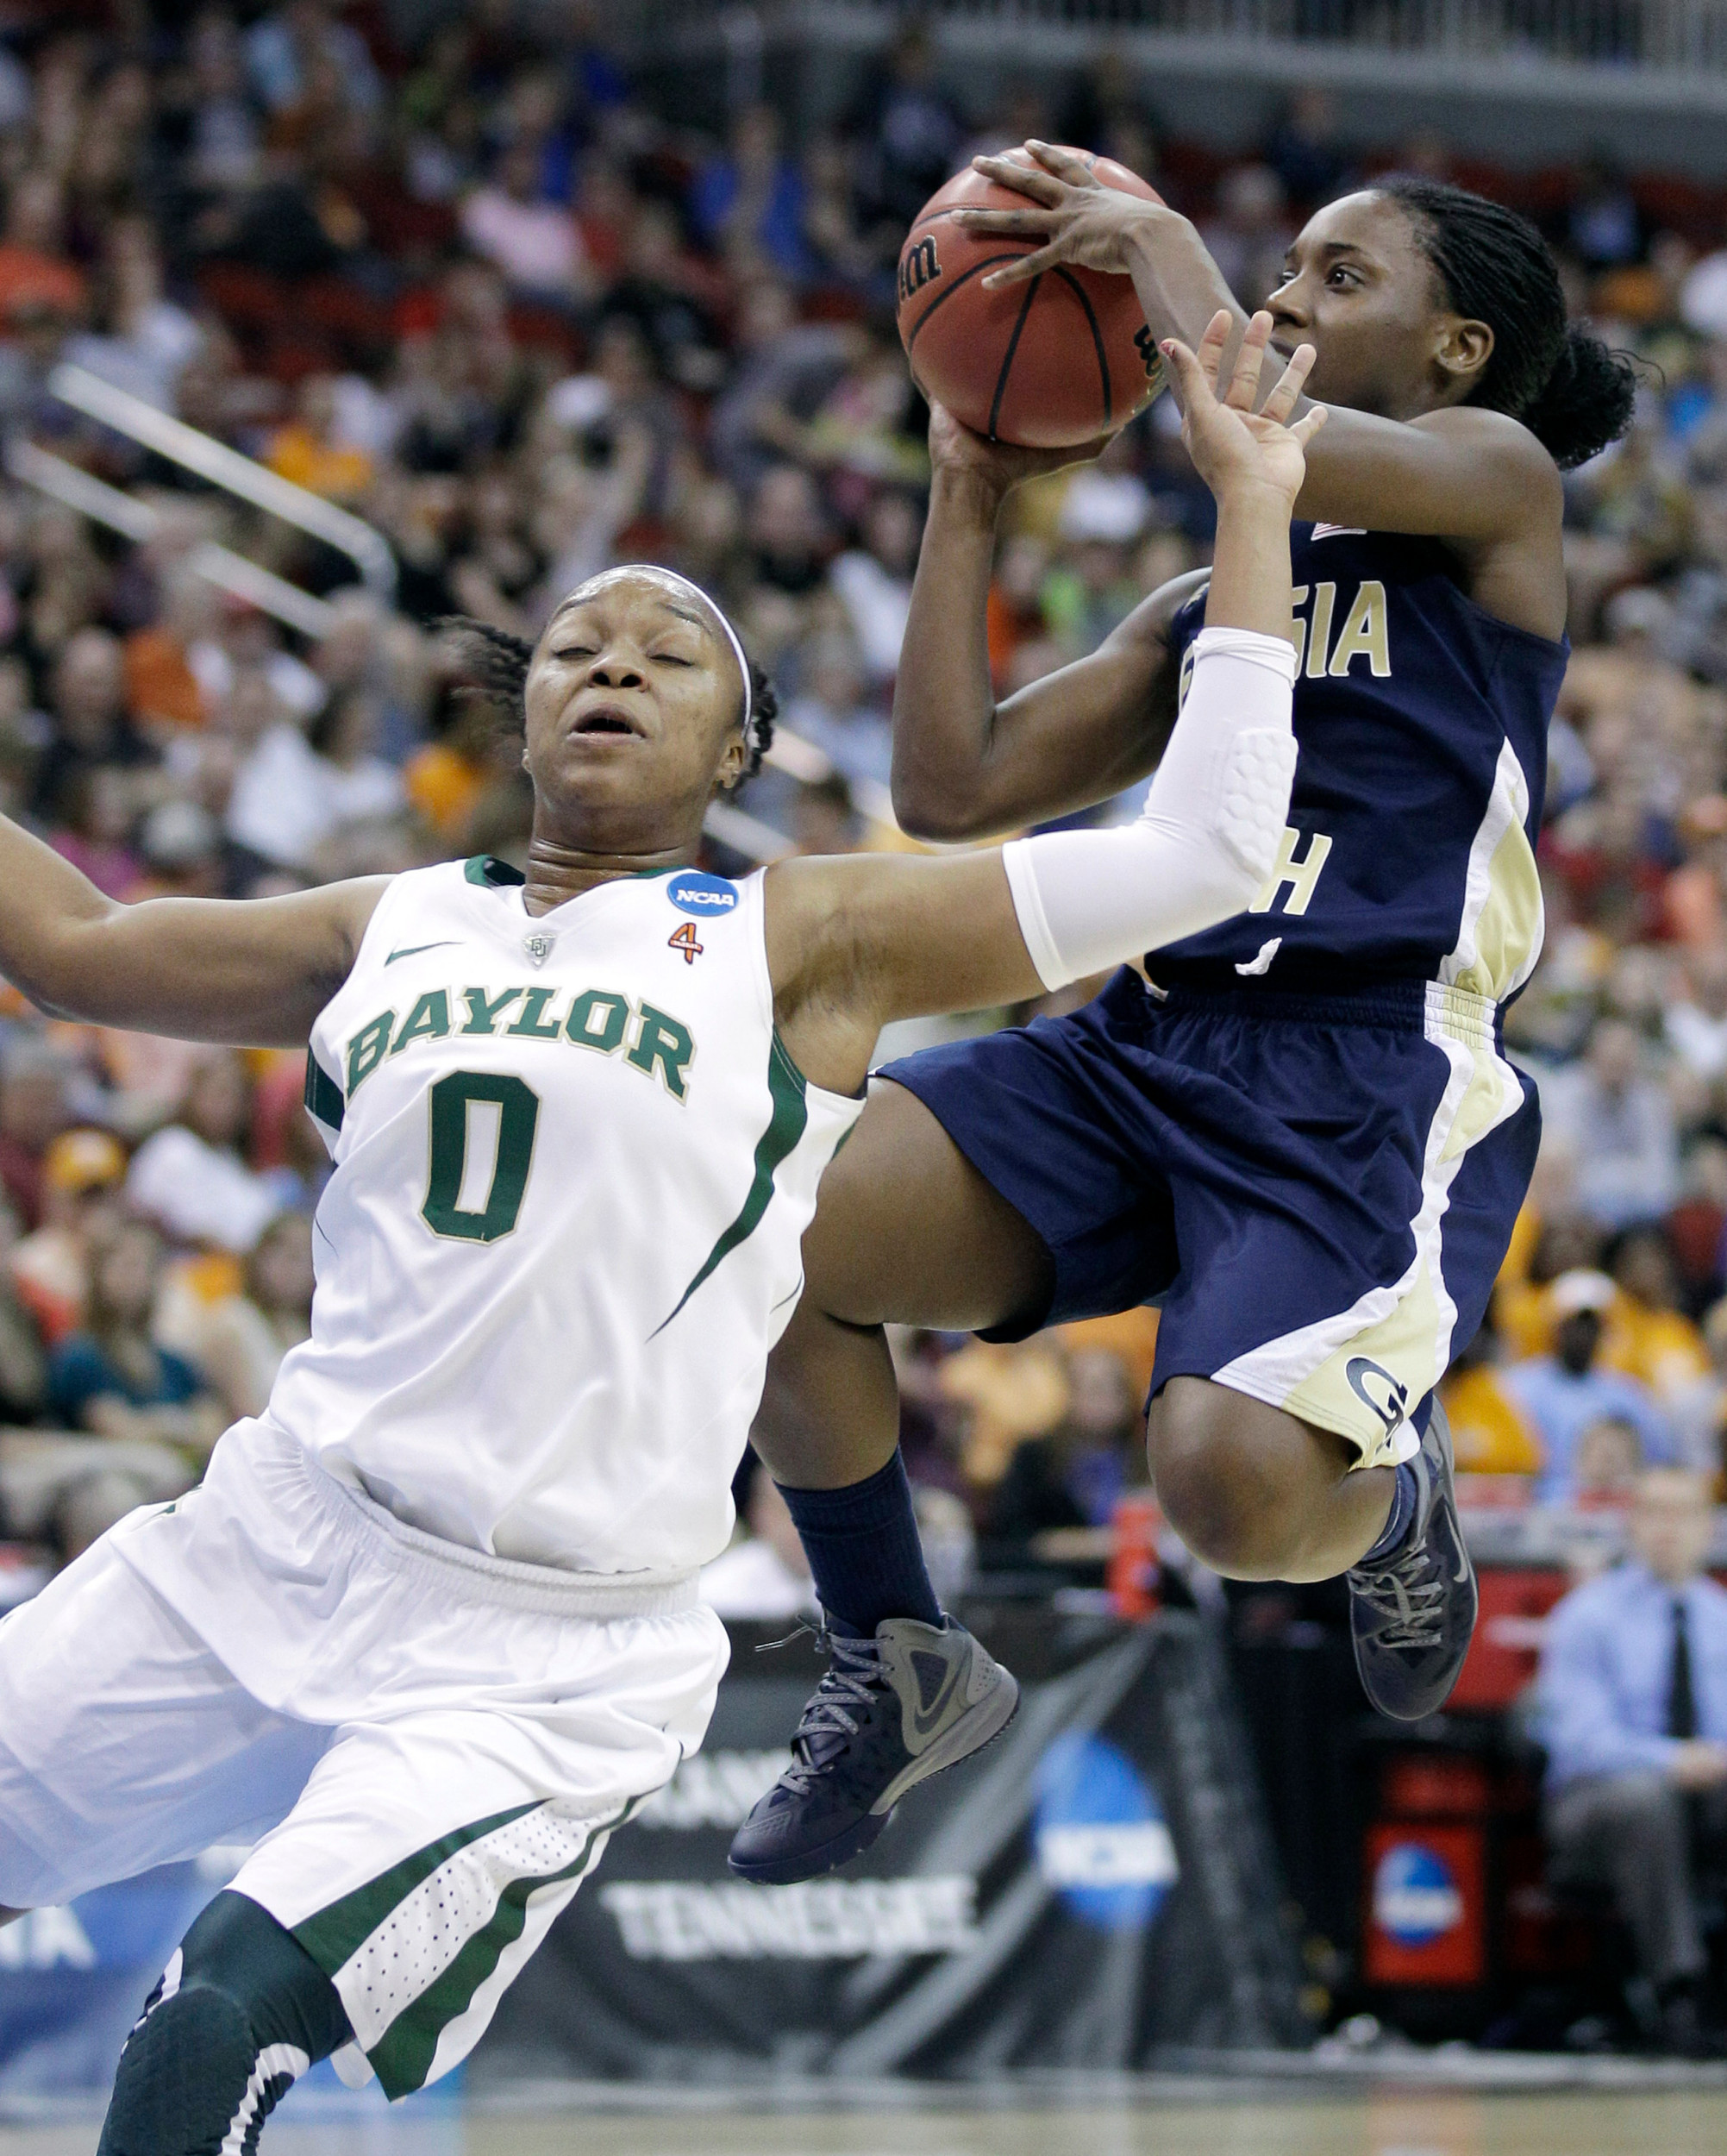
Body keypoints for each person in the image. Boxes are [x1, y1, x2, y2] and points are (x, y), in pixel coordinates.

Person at [0, 317, 1317, 2148]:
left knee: (211, 2018)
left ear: (741, 732)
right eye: (571, 646)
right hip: (269, 1538)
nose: (610, 663)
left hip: (541, 1645)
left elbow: (1206, 857)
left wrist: (1251, 501)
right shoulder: (388, 920)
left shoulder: (809, 935)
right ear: (519, 706)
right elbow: (63, 951)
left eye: (665, 649)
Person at [735, 160, 1640, 1884]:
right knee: (768, 1220)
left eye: (1333, 271)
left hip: (1361, 1074)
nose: (1283, 293)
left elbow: (1247, 402)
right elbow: (949, 782)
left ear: (1450, 348)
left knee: (1224, 1495)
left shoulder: (1497, 492)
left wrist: (1153, 234)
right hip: (1141, 1044)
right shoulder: (1225, 581)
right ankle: (890, 1649)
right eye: (1274, 264)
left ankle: (1392, 1498)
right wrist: (965, 485)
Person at [1539, 1467, 1727, 2054]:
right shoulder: (1587, 1616)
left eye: (1683, 1513)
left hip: (1705, 1792)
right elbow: (1580, 1740)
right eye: (1654, 1512)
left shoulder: (1720, 1615)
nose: (1668, 1529)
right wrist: (1673, 1761)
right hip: (1595, 1800)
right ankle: (1678, 1990)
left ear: (1708, 1527)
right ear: (1631, 1525)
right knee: (1645, 1800)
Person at [1505, 1269, 1677, 1502]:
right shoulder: (1517, 1388)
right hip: (1536, 1515)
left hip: (1612, 1517)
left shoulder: (1628, 1395)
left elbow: (1657, 1463)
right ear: (1555, 1327)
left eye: (1591, 1325)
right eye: (1573, 1324)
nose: (1582, 1334)